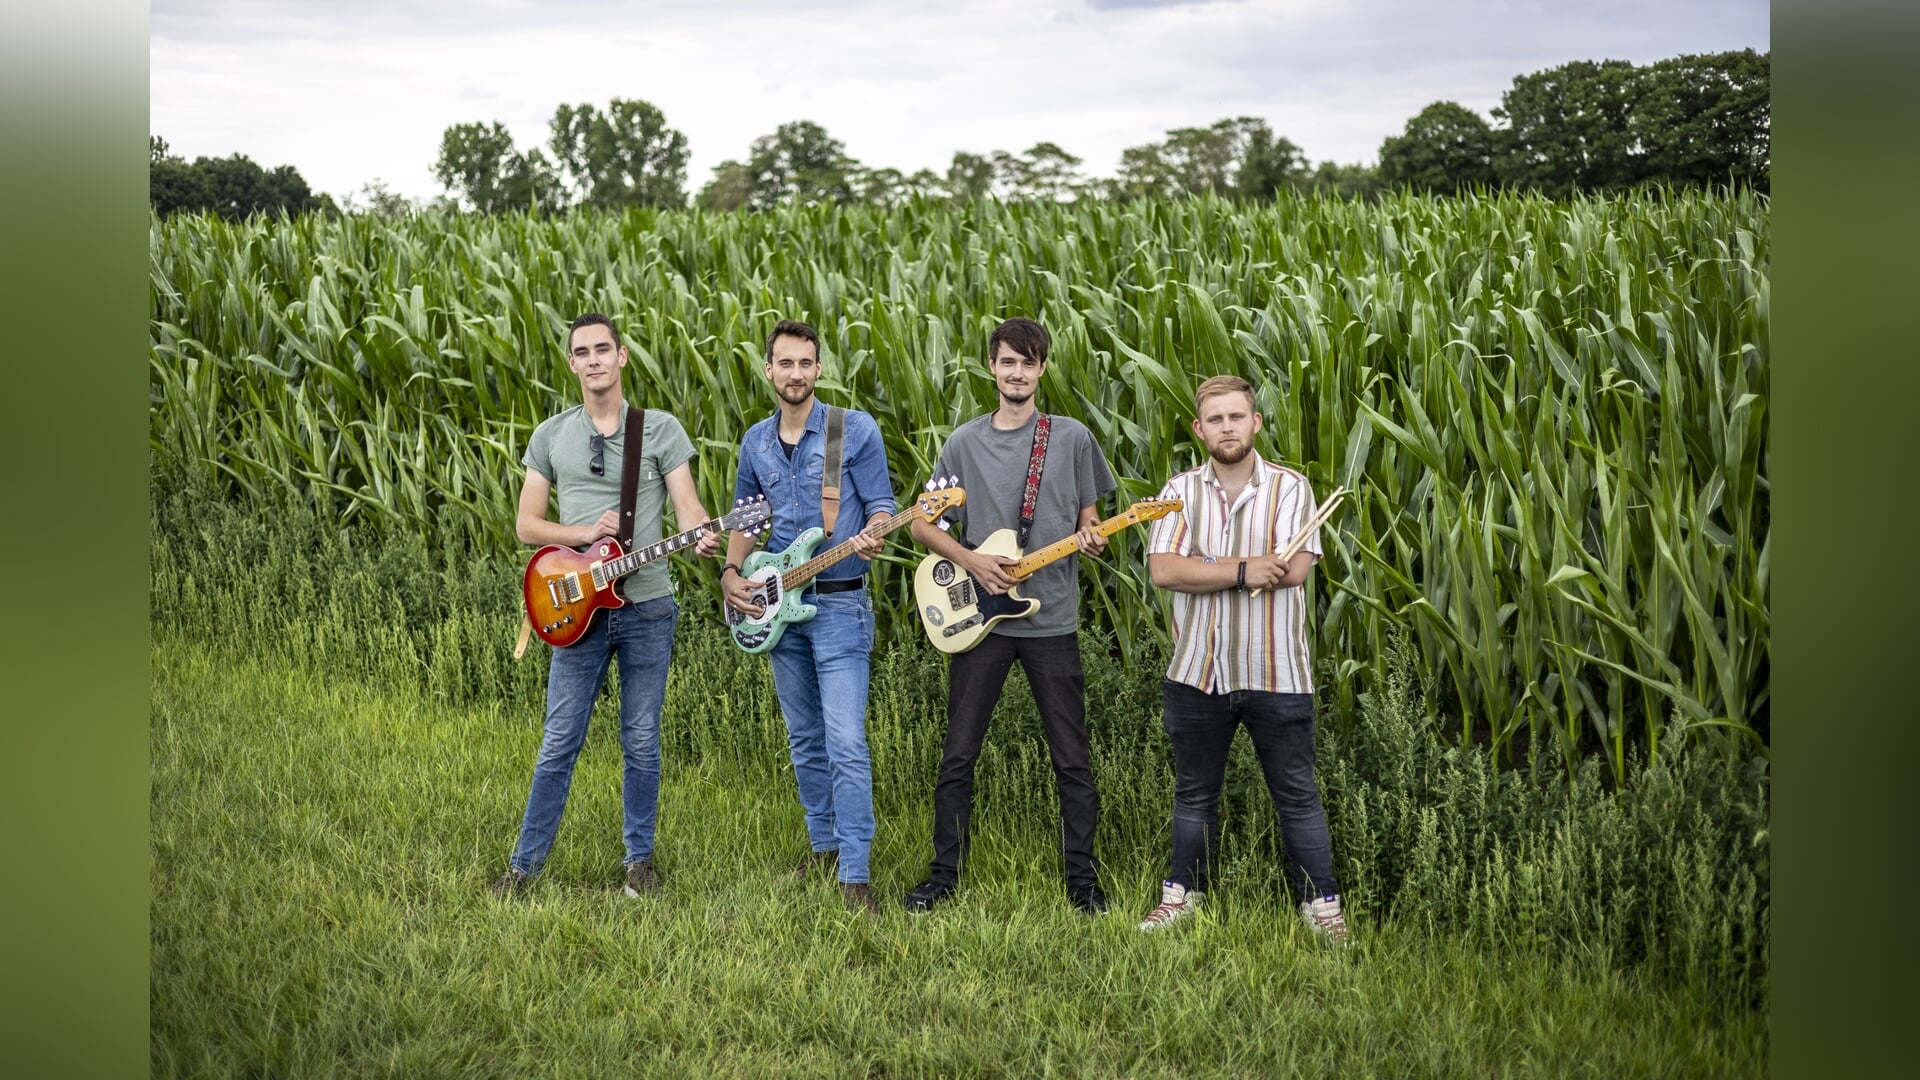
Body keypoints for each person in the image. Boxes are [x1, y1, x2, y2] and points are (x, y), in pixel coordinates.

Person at [492, 313, 724, 898]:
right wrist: (582, 534)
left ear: (621, 357)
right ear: (572, 363)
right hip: (576, 609)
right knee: (559, 742)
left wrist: (702, 533)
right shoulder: (551, 435)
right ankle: (523, 869)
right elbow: (526, 526)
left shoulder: (660, 429)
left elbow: (688, 507)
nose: (594, 359)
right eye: (583, 352)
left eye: (603, 349)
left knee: (641, 741)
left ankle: (638, 864)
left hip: (647, 608)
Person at [902, 317, 1117, 915]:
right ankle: (943, 876)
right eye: (1007, 362)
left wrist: (1094, 538)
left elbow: (1089, 520)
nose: (1016, 372)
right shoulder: (962, 444)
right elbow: (921, 525)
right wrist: (972, 561)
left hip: (1053, 621)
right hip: (980, 621)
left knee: (1072, 758)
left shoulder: (1071, 438)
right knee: (959, 754)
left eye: (1027, 362)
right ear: (991, 367)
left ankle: (1083, 884)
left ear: (1042, 368)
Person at [1136, 374, 1347, 943]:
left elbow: (1292, 569)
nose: (1226, 428)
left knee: (1296, 796)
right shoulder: (1177, 491)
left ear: (1254, 422)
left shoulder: (1291, 487)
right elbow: (1164, 570)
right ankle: (1181, 896)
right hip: (1196, 669)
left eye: (1236, 417)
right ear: (1199, 428)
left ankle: (1322, 905)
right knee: (1193, 794)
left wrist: (1205, 565)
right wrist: (1244, 570)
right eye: (1215, 419)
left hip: (1276, 670)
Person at [720, 320, 896, 915]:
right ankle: (824, 849)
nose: (795, 374)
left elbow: (882, 505)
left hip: (841, 602)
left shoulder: (852, 430)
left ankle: (856, 875)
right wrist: (731, 573)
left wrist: (875, 532)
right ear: (768, 370)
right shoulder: (755, 443)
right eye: (785, 363)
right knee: (804, 739)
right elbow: (747, 520)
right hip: (779, 605)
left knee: (845, 740)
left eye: (805, 363)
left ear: (819, 369)